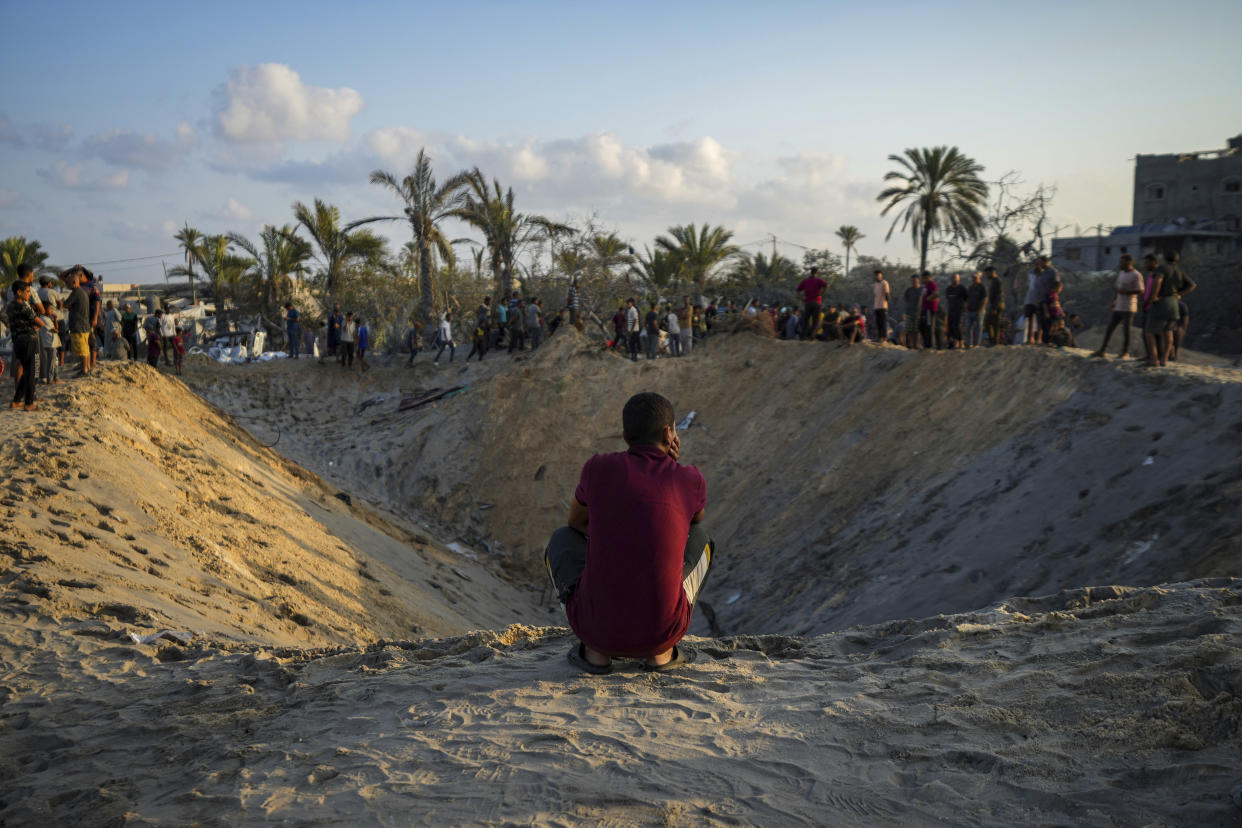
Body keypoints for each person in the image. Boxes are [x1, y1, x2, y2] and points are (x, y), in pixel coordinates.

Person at [543, 392, 713, 674]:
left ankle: (596, 654)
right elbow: (694, 521)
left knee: (560, 539)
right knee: (702, 539)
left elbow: (574, 522)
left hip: (595, 630)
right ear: (669, 432)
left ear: (625, 436)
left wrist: (611, 529)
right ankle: (661, 654)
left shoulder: (597, 468)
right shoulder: (689, 478)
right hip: (662, 632)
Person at [1093, 254, 1145, 359]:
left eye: (1122, 262)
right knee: (1110, 328)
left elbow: (1141, 290)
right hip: (1119, 306)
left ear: (1129, 262)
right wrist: (1114, 301)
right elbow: (1118, 289)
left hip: (1129, 307)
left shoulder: (1136, 275)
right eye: (1120, 262)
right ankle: (1102, 350)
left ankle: (1125, 352)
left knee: (1126, 330)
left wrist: (1126, 292)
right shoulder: (1121, 273)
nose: (1120, 264)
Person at [5, 280, 43, 410]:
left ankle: (16, 401)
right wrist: (34, 327)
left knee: (27, 371)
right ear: (19, 292)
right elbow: (40, 322)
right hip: (30, 341)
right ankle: (29, 403)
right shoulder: (24, 306)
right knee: (33, 372)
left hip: (18, 342)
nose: (29, 294)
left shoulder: (9, 307)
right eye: (27, 292)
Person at [1142, 253, 1179, 367]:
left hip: (1157, 306)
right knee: (1161, 332)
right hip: (1157, 305)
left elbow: (1156, 288)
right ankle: (1157, 357)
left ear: (1154, 263)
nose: (1145, 265)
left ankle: (1155, 358)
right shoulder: (1152, 275)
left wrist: (1151, 300)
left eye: (1147, 263)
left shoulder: (1159, 273)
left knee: (1152, 333)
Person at [1160, 251, 1196, 362]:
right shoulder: (1179, 272)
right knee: (1180, 330)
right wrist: (1179, 294)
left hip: (1167, 304)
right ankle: (1176, 353)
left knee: (1166, 330)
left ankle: (1167, 354)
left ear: (1165, 259)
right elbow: (1193, 285)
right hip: (1180, 305)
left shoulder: (1163, 270)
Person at [62, 267, 93, 377]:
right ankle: (87, 367)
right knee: (86, 348)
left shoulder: (76, 292)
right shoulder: (82, 292)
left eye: (68, 283)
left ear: (74, 282)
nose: (67, 285)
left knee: (82, 349)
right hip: (84, 325)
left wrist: (60, 303)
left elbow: (65, 304)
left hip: (79, 325)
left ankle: (84, 370)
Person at [796, 267, 827, 340]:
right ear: (816, 273)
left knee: (806, 320)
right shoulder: (819, 280)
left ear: (811, 272)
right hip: (816, 302)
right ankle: (812, 337)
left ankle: (802, 337)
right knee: (815, 320)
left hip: (808, 302)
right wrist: (821, 294)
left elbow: (798, 290)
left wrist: (802, 299)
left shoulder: (805, 281)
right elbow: (827, 285)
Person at [944, 273, 967, 349]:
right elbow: (948, 299)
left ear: (958, 279)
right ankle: (954, 343)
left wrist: (965, 310)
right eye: (953, 277)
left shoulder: (962, 288)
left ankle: (961, 342)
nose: (954, 279)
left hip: (959, 310)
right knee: (951, 327)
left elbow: (966, 299)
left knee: (957, 327)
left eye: (956, 278)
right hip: (951, 310)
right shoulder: (948, 289)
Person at [901, 274, 922, 350]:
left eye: (915, 280)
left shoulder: (922, 289)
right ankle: (910, 345)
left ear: (918, 280)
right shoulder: (908, 290)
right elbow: (905, 299)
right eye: (912, 280)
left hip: (919, 313)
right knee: (909, 330)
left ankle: (916, 344)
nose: (913, 282)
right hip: (909, 312)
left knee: (917, 330)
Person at [919, 271, 938, 349]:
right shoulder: (926, 286)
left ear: (928, 277)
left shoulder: (932, 284)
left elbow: (936, 294)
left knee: (929, 327)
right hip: (924, 309)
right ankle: (925, 343)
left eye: (924, 278)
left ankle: (930, 345)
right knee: (921, 326)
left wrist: (928, 299)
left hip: (929, 310)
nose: (923, 280)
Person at [872, 271, 890, 342]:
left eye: (878, 275)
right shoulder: (875, 284)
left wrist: (886, 305)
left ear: (881, 276)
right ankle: (879, 337)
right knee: (878, 322)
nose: (877, 277)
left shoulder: (884, 283)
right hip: (876, 306)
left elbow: (887, 294)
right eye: (876, 275)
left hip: (883, 306)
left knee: (883, 322)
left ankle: (885, 338)